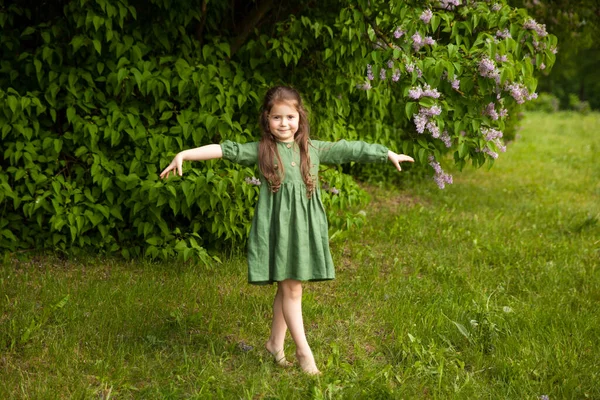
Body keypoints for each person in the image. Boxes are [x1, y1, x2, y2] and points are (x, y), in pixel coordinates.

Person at [160, 86, 414, 375]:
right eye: (277, 117)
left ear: (300, 118)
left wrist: (386, 153)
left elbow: (350, 148)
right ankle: (305, 354)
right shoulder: (261, 151)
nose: (284, 124)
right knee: (291, 287)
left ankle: (274, 344)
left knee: (290, 285)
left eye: (290, 117)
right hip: (277, 230)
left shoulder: (312, 149)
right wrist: (184, 154)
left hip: (305, 228)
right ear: (267, 120)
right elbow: (224, 150)